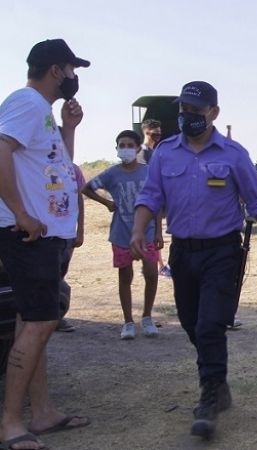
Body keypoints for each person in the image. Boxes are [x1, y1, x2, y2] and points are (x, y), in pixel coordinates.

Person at [131, 81, 257, 440]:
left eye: (196, 112)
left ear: (213, 113)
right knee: (190, 322)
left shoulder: (233, 154)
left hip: (222, 252)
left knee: (211, 325)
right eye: (184, 111)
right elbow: (150, 196)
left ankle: (210, 395)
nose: (188, 118)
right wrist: (138, 231)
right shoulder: (165, 153)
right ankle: (218, 379)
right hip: (183, 252)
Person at [0, 38, 92, 450]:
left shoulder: (45, 114)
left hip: (45, 234)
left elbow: (56, 169)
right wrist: (20, 212)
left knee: (31, 320)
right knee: (39, 322)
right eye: (73, 70)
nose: (74, 78)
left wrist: (69, 130)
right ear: (57, 70)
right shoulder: (25, 102)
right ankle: (10, 423)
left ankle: (41, 412)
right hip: (29, 235)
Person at [83, 130, 162, 339]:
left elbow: (157, 203)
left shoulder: (149, 172)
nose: (125, 148)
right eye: (121, 145)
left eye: (129, 145)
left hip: (148, 233)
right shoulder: (111, 174)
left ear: (137, 148)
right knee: (125, 276)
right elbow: (87, 188)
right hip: (121, 233)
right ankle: (128, 322)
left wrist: (159, 232)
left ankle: (147, 317)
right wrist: (108, 203)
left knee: (152, 274)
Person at [55, 162, 85, 333]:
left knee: (61, 273)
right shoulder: (36, 165)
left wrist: (80, 230)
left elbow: (79, 199)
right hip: (46, 233)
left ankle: (57, 317)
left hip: (67, 232)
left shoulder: (73, 170)